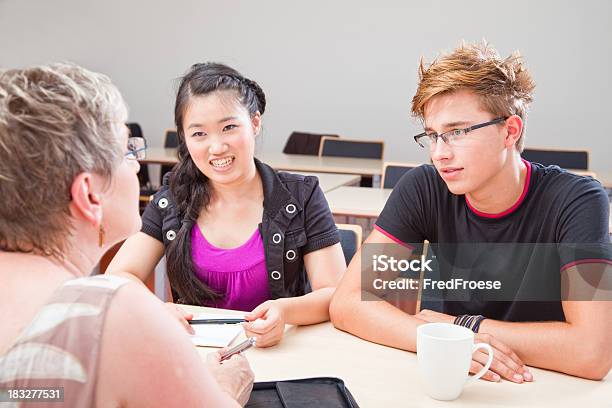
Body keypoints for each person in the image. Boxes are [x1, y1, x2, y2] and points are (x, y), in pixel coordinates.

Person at [330, 41, 612, 381]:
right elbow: (348, 303)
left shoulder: (577, 200)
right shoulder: (424, 187)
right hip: (464, 373)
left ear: (510, 131)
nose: (438, 154)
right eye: (432, 136)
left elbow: (593, 352)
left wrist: (457, 327)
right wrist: (430, 338)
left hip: (547, 382)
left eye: (457, 133)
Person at [0, 63, 253, 406]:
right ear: (89, 195)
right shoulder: (108, 312)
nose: (136, 165)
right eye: (126, 152)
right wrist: (226, 389)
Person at [107, 62, 346, 347]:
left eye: (229, 127)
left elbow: (334, 292)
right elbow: (119, 276)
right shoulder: (172, 198)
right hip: (194, 360)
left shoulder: (301, 195)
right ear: (184, 137)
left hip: (280, 354)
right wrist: (155, 308)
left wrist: (285, 312)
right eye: (199, 134)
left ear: (255, 123)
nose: (217, 146)